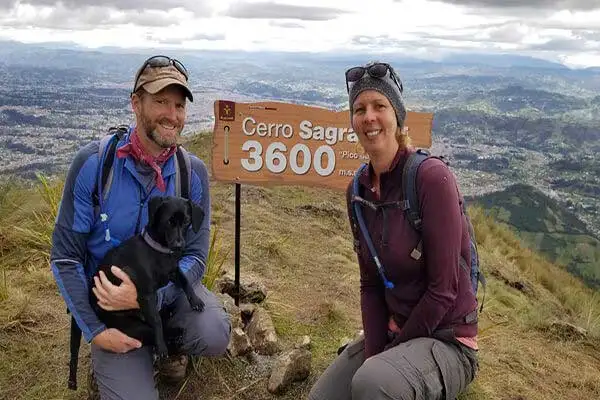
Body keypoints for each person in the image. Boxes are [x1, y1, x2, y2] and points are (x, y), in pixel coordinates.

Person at [50, 55, 231, 400]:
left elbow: (195, 254)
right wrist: (96, 330)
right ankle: (123, 356)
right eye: (161, 101)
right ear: (136, 103)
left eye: (179, 105)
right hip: (112, 311)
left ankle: (164, 347)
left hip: (165, 294)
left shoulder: (190, 173)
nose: (172, 114)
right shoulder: (94, 164)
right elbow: (65, 258)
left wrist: (156, 296)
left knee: (214, 332)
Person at [308, 61, 479, 400]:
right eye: (359, 109)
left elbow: (443, 291)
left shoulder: (431, 179)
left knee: (372, 384)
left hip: (448, 339)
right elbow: (370, 284)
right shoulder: (357, 191)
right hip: (395, 332)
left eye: (379, 106)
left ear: (397, 115)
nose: (369, 117)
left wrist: (389, 354)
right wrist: (375, 351)